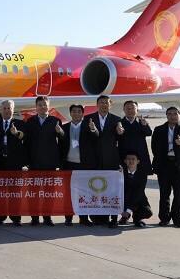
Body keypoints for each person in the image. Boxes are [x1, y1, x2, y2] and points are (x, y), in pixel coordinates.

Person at [151, 107, 180, 228]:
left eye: (175, 113)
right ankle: (164, 218)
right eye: (169, 113)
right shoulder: (159, 129)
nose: (172, 116)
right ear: (166, 115)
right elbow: (154, 147)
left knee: (179, 194)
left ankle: (177, 218)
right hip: (164, 165)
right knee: (164, 193)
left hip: (179, 165)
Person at [24, 96, 63, 226]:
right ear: (36, 107)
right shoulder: (30, 121)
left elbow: (62, 140)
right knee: (34, 193)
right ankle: (34, 218)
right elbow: (26, 143)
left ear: (49, 106)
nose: (42, 107)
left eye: (45, 104)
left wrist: (60, 132)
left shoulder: (55, 121)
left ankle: (47, 217)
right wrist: (27, 162)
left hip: (50, 163)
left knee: (49, 193)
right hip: (34, 163)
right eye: (40, 105)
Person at [0, 100, 28, 226]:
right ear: (1, 110)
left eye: (9, 108)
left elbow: (24, 137)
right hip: (0, 163)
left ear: (13, 109)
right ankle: (0, 217)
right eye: (5, 108)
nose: (7, 110)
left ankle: (16, 218)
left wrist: (16, 133)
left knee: (15, 192)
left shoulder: (20, 123)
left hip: (14, 163)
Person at [88, 94, 123, 228]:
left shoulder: (117, 120)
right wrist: (93, 129)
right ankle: (97, 217)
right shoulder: (89, 119)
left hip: (111, 160)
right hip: (94, 160)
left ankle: (113, 218)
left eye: (106, 103)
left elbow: (120, 140)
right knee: (96, 189)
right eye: (101, 102)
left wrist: (120, 133)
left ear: (110, 105)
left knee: (111, 190)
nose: (104, 105)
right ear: (97, 105)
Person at [60, 104, 96, 226]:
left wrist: (93, 129)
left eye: (79, 111)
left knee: (84, 192)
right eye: (74, 111)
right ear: (70, 113)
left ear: (82, 114)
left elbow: (96, 137)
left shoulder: (88, 126)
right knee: (68, 193)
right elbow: (60, 146)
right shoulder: (64, 127)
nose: (76, 114)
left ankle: (84, 218)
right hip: (68, 164)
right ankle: (68, 217)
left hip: (84, 165)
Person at [118, 100, 152, 174]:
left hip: (140, 157)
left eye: (133, 108)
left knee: (141, 178)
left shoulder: (141, 122)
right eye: (128, 108)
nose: (130, 110)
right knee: (124, 179)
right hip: (124, 157)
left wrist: (145, 125)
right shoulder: (119, 123)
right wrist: (118, 132)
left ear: (137, 110)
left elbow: (149, 133)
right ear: (124, 110)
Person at [119, 151, 152, 228]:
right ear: (125, 161)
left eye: (133, 159)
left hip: (138, 198)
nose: (131, 161)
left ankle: (136, 218)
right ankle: (124, 217)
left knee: (148, 212)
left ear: (138, 161)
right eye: (128, 159)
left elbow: (139, 191)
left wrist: (128, 210)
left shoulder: (142, 174)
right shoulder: (120, 172)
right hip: (124, 198)